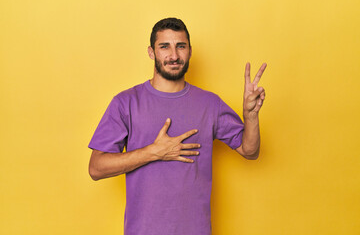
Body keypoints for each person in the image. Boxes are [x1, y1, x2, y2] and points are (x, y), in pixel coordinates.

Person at [88, 17, 266, 235]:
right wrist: (154, 152)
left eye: (180, 46)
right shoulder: (126, 102)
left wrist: (251, 116)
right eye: (165, 46)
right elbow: (96, 168)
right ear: (151, 52)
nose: (173, 55)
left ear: (190, 51)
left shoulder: (210, 104)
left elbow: (250, 151)